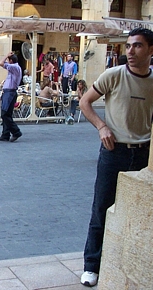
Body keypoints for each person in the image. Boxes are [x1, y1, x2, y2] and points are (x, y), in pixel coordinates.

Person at [79, 27, 153, 287]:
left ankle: (130, 260)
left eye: (138, 46)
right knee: (101, 207)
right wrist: (102, 126)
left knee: (140, 213)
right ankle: (91, 266)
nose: (130, 51)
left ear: (151, 50)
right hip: (114, 152)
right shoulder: (114, 75)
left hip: (144, 153)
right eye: (129, 46)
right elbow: (85, 102)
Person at [0, 51, 22, 142]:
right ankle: (5, 134)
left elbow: (1, 63)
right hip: (8, 92)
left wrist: (6, 55)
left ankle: (16, 131)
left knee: (4, 113)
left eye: (8, 59)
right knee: (7, 114)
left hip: (10, 92)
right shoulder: (14, 67)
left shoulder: (14, 67)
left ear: (11, 60)